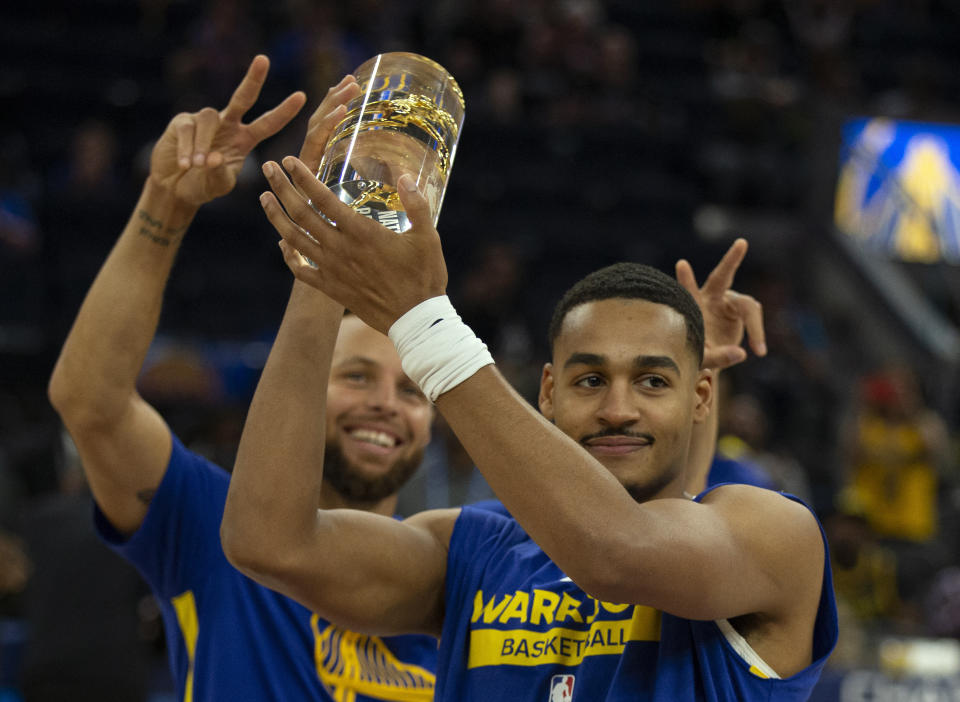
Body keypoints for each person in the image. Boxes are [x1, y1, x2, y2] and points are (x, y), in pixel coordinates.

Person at [221, 153, 838, 699]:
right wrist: (322, 271)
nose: (618, 409)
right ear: (547, 392)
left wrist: (424, 323)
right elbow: (268, 543)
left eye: (653, 382)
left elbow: (618, 553)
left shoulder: (776, 536)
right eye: (589, 380)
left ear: (701, 397)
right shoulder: (474, 551)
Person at [47, 56, 439, 701]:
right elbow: (90, 402)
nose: (384, 406)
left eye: (411, 391)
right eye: (358, 377)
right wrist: (166, 203)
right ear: (305, 384)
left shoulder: (448, 578)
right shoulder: (211, 522)